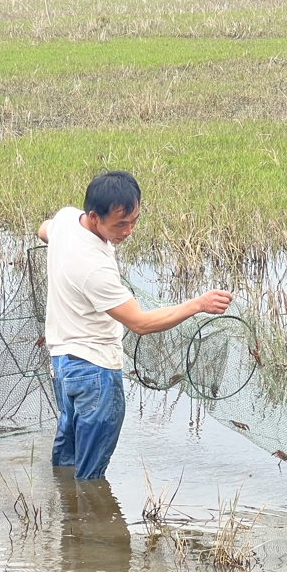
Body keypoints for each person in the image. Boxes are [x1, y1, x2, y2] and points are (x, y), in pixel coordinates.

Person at [37, 171, 232, 479]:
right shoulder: (93, 268)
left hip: (62, 367)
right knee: (91, 477)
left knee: (68, 455)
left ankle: (66, 505)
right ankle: (87, 509)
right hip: (94, 373)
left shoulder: (65, 220)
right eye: (119, 224)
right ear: (94, 217)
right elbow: (140, 323)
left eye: (134, 221)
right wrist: (198, 304)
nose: (128, 231)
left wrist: (60, 241)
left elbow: (43, 230)